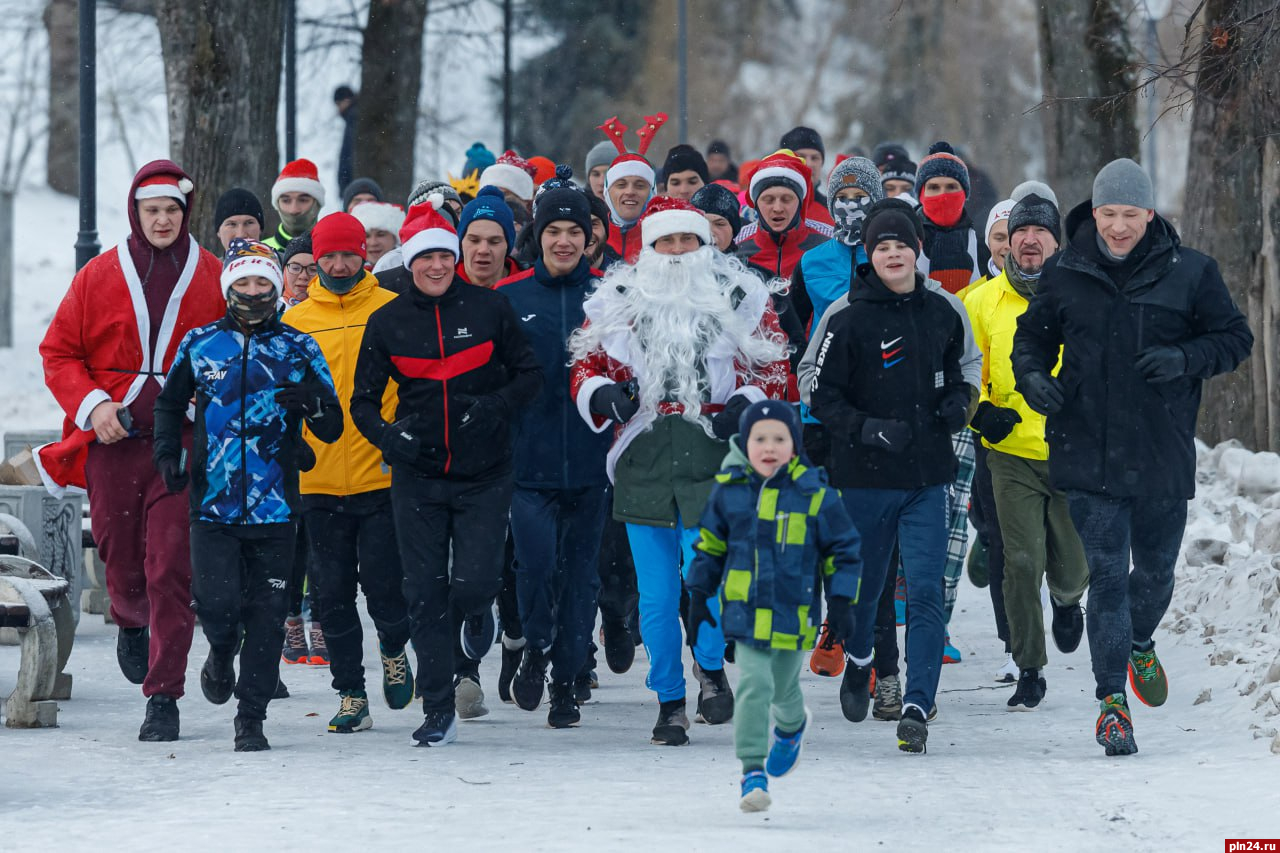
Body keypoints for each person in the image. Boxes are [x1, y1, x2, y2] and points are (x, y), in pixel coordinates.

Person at [1012, 158, 1252, 756]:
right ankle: (1111, 703)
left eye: (1130, 215)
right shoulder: (1065, 272)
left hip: (1161, 450)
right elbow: (1031, 341)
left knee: (1154, 575)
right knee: (1109, 579)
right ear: (1093, 214)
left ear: (1151, 214)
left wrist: (1185, 359)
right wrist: (1034, 379)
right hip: (1086, 449)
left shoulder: (1191, 273)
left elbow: (1234, 339)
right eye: (1108, 214)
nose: (1119, 227)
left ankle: (1141, 642)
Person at [568, 195, 789, 745]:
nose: (675, 252)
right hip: (642, 455)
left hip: (710, 452)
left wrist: (747, 398)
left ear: (704, 245)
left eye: (686, 240)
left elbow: (775, 363)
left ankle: (710, 670)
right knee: (659, 595)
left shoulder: (739, 296)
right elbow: (584, 364)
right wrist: (601, 396)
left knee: (707, 579)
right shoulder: (616, 299)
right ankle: (669, 700)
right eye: (664, 241)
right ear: (647, 248)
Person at [39, 161, 224, 742]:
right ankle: (130, 618)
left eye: (172, 209)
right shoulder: (97, 275)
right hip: (113, 445)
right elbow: (59, 352)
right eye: (153, 210)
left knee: (172, 565)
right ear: (135, 213)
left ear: (185, 213)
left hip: (183, 445)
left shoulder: (213, 275)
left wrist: (201, 402)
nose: (164, 219)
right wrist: (94, 406)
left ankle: (164, 696)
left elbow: (233, 353)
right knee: (122, 560)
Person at [350, 200, 542, 747]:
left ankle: (475, 614)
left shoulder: (489, 309)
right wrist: (389, 437)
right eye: (424, 257)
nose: (436, 266)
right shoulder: (387, 322)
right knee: (423, 593)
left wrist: (496, 406)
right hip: (419, 476)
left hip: (485, 472)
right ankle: (437, 708)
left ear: (455, 259)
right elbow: (362, 403)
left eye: (444, 256)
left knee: (475, 582)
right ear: (409, 263)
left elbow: (530, 376)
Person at [153, 239, 341, 751]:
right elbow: (168, 406)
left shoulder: (299, 348)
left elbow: (333, 427)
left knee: (267, 613)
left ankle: (251, 718)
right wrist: (168, 456)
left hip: (278, 508)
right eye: (243, 282)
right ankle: (219, 649)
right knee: (216, 605)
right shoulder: (200, 343)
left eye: (263, 283)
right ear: (228, 286)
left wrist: (313, 403)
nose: (253, 292)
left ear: (278, 287)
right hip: (212, 505)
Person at [803, 198, 971, 754]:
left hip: (926, 478)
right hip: (863, 480)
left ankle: (919, 704)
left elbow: (964, 367)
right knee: (859, 592)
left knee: (925, 591)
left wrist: (961, 401)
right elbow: (818, 391)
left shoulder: (944, 310)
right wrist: (867, 429)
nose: (893, 253)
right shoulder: (844, 316)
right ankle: (860, 660)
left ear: (917, 251)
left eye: (902, 244)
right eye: (882, 246)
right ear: (869, 255)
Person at [685, 400, 861, 812]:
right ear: (745, 445)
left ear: (795, 445)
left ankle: (792, 725)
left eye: (779, 439)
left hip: (792, 613)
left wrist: (840, 599)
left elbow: (843, 549)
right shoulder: (730, 493)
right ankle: (751, 772)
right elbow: (710, 547)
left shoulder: (814, 493)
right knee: (753, 686)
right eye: (759, 439)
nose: (769, 447)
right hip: (745, 613)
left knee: (782, 688)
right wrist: (697, 594)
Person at [280, 212, 417, 734]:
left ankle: (392, 647)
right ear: (315, 260)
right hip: (316, 481)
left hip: (379, 473)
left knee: (386, 588)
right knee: (332, 594)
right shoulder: (295, 320)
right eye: (329, 256)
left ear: (365, 255)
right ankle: (351, 693)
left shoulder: (390, 308)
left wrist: (402, 439)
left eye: (349, 254)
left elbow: (411, 385)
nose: (339, 265)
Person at [965, 192, 1089, 711]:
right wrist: (981, 413)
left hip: (1071, 452)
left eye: (1041, 231)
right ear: (1007, 242)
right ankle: (1028, 667)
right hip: (1010, 453)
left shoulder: (1081, 295)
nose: (1030, 240)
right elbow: (962, 373)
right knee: (1020, 561)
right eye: (1020, 231)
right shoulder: (979, 301)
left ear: (1057, 241)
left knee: (1072, 568)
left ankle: (1067, 600)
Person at [494, 183, 612, 727]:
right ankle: (536, 649)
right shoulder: (511, 298)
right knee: (536, 567)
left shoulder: (613, 297)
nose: (564, 242)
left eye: (575, 232)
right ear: (537, 237)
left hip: (594, 466)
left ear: (590, 239)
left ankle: (566, 681)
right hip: (529, 467)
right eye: (553, 232)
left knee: (582, 578)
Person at [915, 141, 990, 295]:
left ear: (964, 194)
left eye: (951, 187)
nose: (943, 195)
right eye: (934, 187)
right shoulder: (905, 239)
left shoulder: (982, 241)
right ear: (921, 194)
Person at [596, 114, 667, 263]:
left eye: (640, 185)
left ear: (652, 192)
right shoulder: (592, 236)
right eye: (621, 185)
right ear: (607, 191)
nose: (630, 192)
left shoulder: (666, 236)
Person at [265, 159, 325, 252]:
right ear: (277, 204)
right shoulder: (261, 251)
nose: (294, 210)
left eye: (303, 200)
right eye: (286, 201)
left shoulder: (333, 253)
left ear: (317, 204)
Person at [779, 126, 832, 224]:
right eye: (801, 157)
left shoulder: (833, 211)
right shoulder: (768, 206)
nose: (809, 164)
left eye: (815, 158)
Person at [351, 200, 405, 269]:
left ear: (395, 238)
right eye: (366, 236)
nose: (373, 243)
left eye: (380, 235)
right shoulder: (348, 273)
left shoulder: (411, 271)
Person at [691, 182, 742, 253]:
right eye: (702, 223)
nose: (710, 232)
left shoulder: (746, 262)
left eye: (719, 224)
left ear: (733, 230)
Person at [214, 188, 265, 252]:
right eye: (232, 224)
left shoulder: (279, 261)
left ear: (260, 229)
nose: (241, 235)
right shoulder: (208, 262)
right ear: (218, 232)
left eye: (249, 223)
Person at [281, 233, 315, 308]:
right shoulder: (270, 312)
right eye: (295, 268)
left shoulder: (333, 314)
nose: (303, 276)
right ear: (284, 271)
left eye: (312, 270)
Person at [334, 85, 358, 193]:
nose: (338, 109)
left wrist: (344, 182)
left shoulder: (353, 117)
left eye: (339, 104)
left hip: (353, 183)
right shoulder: (354, 117)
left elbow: (348, 153)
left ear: (347, 100)